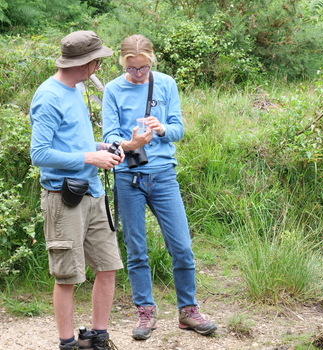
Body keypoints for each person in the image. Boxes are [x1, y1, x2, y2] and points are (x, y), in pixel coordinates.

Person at [102, 34, 217, 340]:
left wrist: (162, 128)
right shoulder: (113, 89)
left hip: (163, 175)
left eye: (143, 68)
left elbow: (178, 128)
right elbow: (109, 136)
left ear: (151, 61)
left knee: (181, 246)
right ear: (123, 63)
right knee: (137, 250)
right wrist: (130, 143)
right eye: (132, 68)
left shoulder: (166, 84)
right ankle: (145, 312)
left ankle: (188, 310)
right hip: (129, 176)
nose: (138, 74)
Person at [29, 30, 124, 350]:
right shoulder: (48, 96)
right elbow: (39, 154)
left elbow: (71, 140)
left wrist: (102, 149)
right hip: (63, 197)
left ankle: (97, 339)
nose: (99, 65)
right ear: (84, 63)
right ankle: (68, 344)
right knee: (67, 277)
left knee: (109, 266)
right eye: (97, 60)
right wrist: (89, 157)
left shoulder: (77, 88)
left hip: (93, 192)